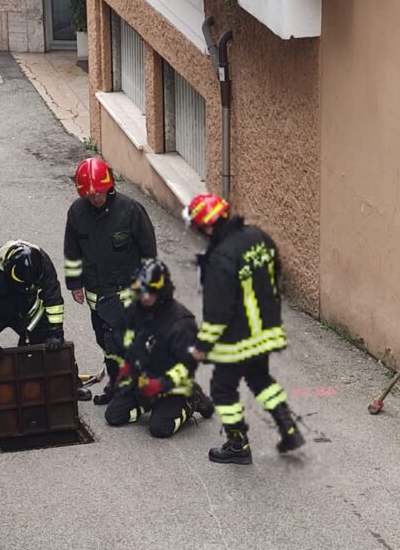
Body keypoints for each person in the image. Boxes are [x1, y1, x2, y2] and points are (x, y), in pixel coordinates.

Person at [184, 193, 305, 464]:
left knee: (222, 390)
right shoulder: (256, 237)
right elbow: (275, 268)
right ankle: (289, 429)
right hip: (266, 330)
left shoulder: (219, 259)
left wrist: (202, 348)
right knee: (261, 380)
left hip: (239, 338)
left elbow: (217, 315)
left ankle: (237, 445)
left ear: (207, 226)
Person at [64, 156, 157, 405]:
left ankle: (142, 392)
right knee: (106, 344)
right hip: (98, 298)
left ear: (110, 185)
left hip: (127, 295)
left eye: (100, 193)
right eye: (91, 195)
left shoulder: (130, 211)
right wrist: (74, 284)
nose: (96, 198)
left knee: (128, 345)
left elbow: (149, 252)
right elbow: (72, 251)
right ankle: (116, 387)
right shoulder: (77, 213)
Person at [0, 239, 91, 400]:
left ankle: (70, 386)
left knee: (51, 345)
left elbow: (53, 298)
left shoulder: (42, 263)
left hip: (25, 310)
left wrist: (56, 332)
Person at [104, 259, 214, 437]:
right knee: (114, 416)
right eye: (142, 291)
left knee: (160, 428)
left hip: (172, 384)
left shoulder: (181, 322)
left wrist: (161, 384)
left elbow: (186, 366)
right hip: (145, 379)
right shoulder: (137, 310)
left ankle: (193, 399)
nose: (146, 297)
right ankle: (150, 404)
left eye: (151, 292)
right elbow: (133, 342)